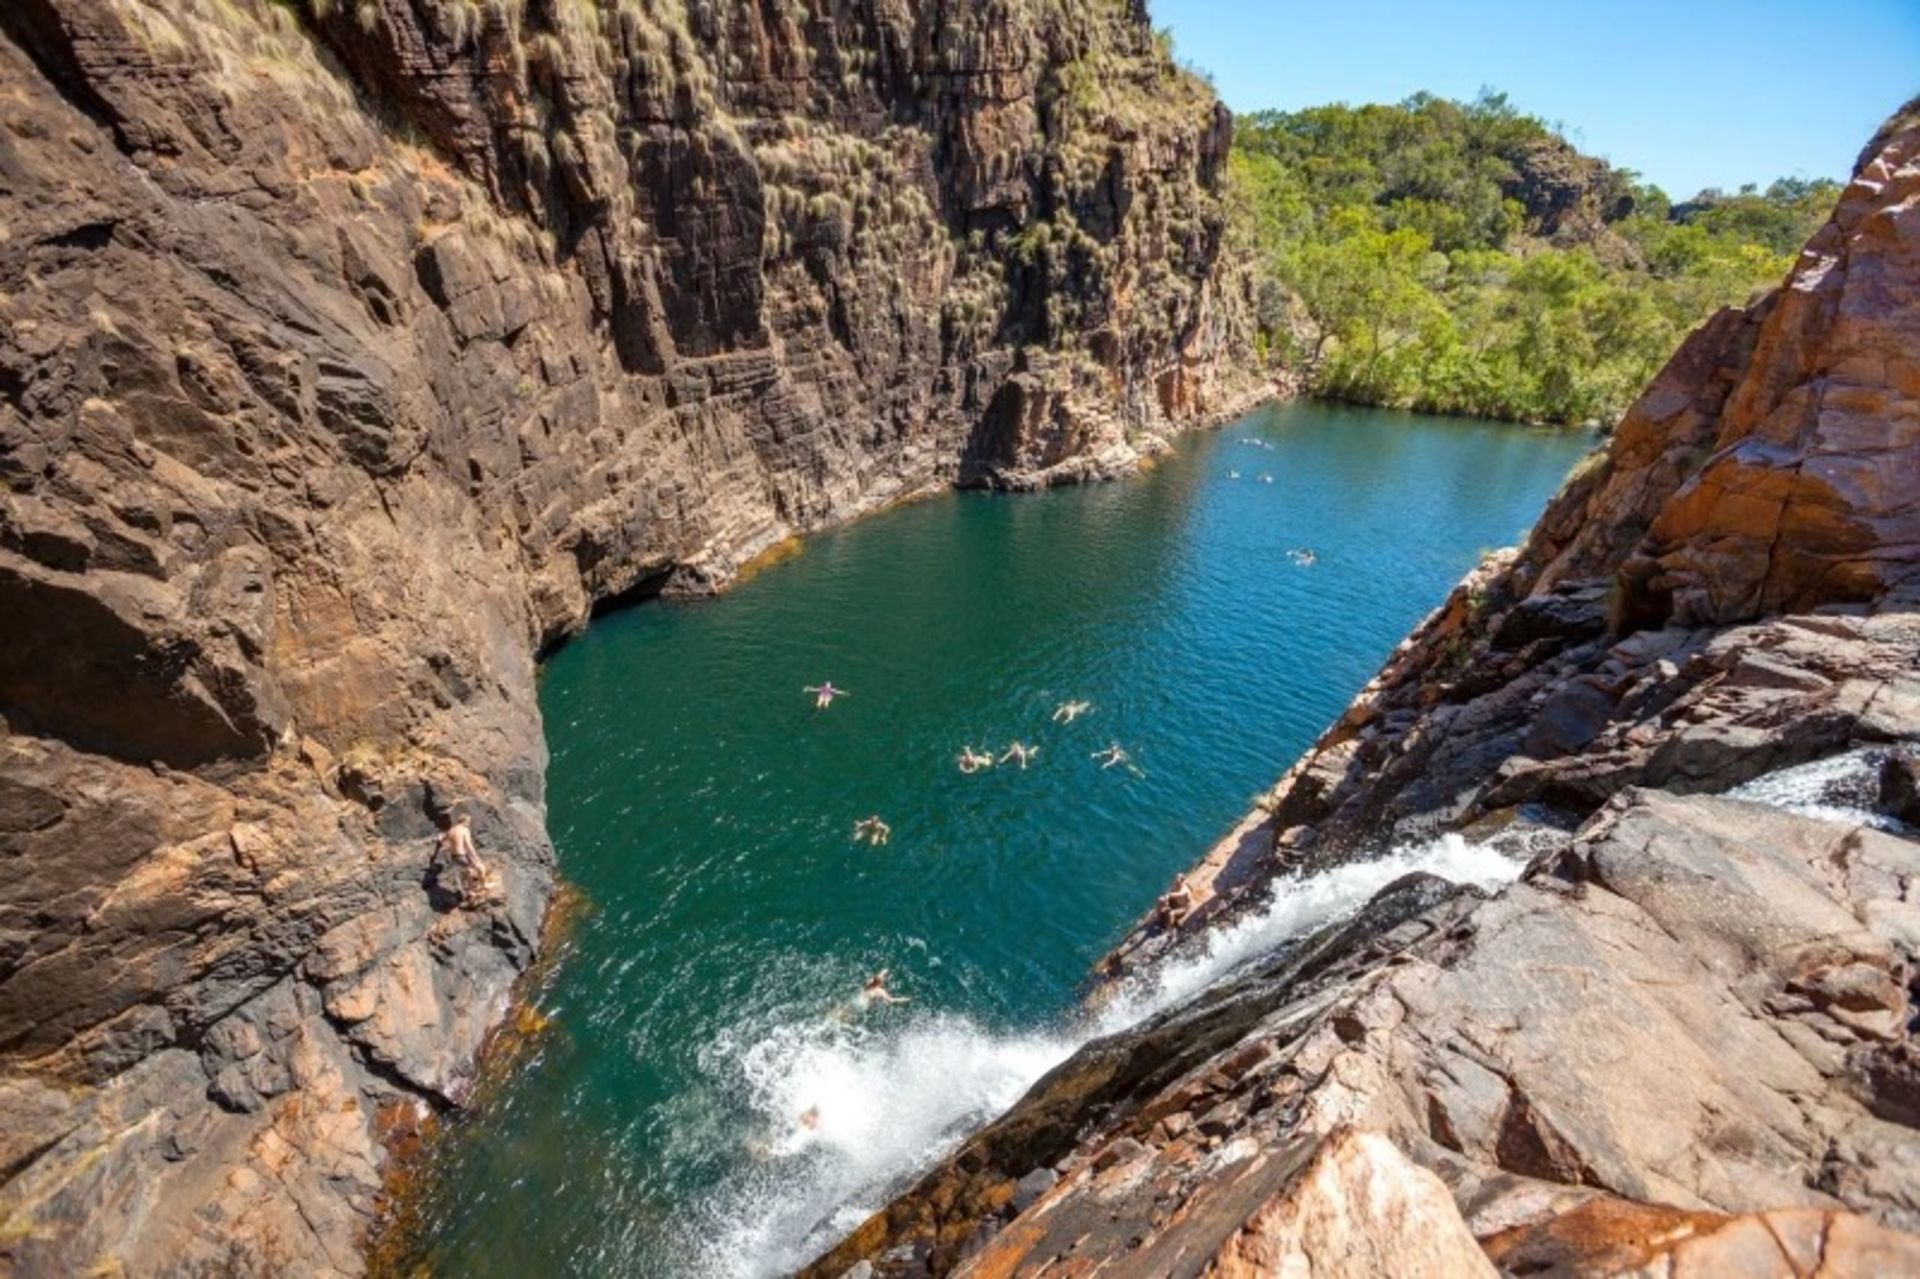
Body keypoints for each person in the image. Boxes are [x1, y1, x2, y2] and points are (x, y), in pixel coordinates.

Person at [436, 811, 497, 907]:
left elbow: (442, 838)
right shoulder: (464, 830)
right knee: (480, 867)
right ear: (465, 821)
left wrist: (439, 840)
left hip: (454, 857)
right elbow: (469, 845)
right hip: (462, 855)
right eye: (468, 821)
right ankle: (482, 885)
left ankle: (470, 890)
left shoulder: (452, 829)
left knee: (470, 870)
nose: (469, 824)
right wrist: (476, 857)